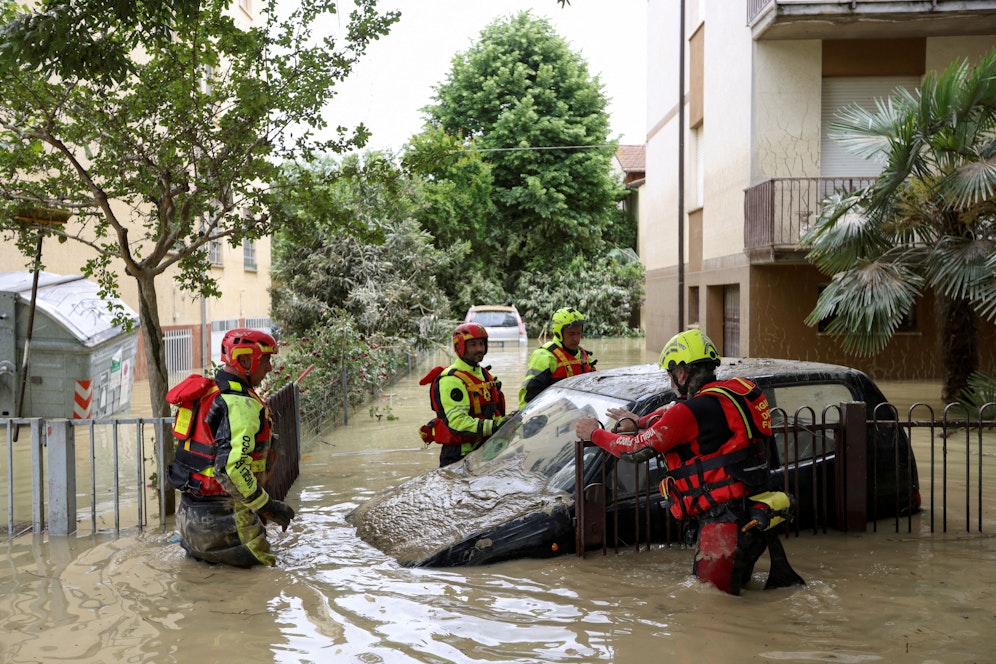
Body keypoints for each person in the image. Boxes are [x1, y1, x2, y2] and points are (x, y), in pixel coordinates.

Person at [574, 329, 804, 595]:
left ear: (681, 373)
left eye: (670, 374)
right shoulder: (731, 395)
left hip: (723, 527)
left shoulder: (691, 411)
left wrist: (594, 433)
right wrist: (640, 421)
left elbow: (636, 450)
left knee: (712, 606)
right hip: (753, 514)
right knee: (736, 595)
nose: (671, 381)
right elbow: (672, 411)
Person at [167, 328, 296, 567]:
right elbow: (231, 469)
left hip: (188, 522)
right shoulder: (239, 404)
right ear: (244, 360)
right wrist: (268, 506)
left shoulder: (207, 394)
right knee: (267, 578)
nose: (269, 367)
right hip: (226, 522)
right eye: (266, 360)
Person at [418, 322, 508, 467]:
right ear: (460, 347)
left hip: (486, 450)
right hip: (459, 455)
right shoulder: (450, 380)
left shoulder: (486, 375)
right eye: (473, 345)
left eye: (481, 344)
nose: (479, 349)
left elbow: (494, 413)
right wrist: (495, 426)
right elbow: (457, 422)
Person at [518, 307, 596, 409]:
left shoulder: (584, 356)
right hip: (553, 414)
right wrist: (525, 416)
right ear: (559, 333)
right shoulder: (544, 356)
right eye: (571, 334)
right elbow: (528, 395)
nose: (576, 339)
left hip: (579, 412)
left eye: (579, 333)